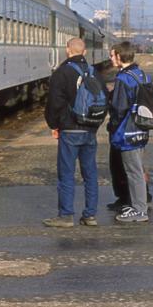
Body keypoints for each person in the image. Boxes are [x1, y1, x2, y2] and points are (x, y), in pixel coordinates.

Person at [43, 37, 102, 228]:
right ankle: (90, 215)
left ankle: (66, 215)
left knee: (67, 173)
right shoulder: (94, 72)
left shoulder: (61, 72)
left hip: (69, 130)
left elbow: (54, 103)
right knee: (90, 173)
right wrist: (94, 125)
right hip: (90, 130)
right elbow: (103, 101)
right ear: (84, 52)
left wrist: (54, 125)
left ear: (68, 50)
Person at [106, 41, 151, 223]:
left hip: (127, 132)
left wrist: (112, 126)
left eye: (112, 55)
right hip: (141, 128)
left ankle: (140, 210)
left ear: (119, 56)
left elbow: (119, 108)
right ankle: (138, 205)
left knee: (133, 172)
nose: (110, 59)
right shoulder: (142, 75)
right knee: (137, 170)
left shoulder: (123, 78)